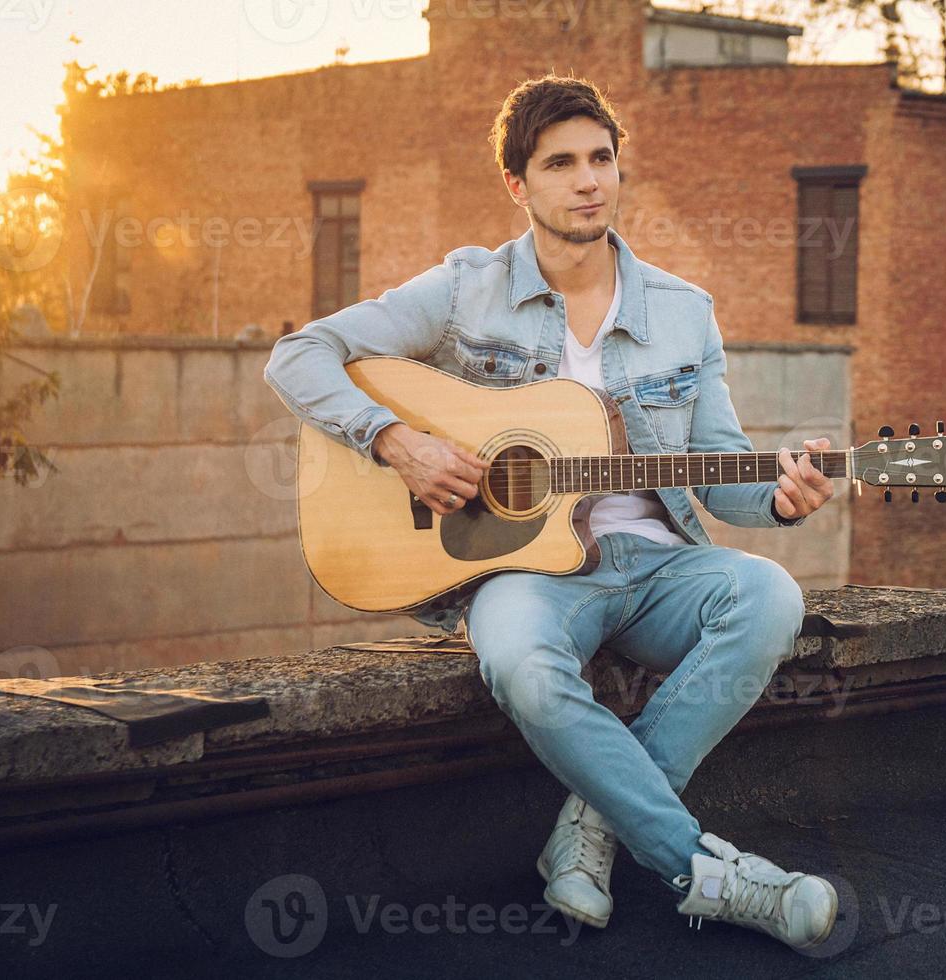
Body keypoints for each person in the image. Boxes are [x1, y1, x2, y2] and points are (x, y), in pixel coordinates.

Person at [263, 74, 840, 951]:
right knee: (523, 666)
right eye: (561, 163)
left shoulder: (684, 312)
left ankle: (595, 825)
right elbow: (299, 356)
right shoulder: (466, 289)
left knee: (771, 597)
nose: (587, 180)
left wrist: (781, 496)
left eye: (602, 159)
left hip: (656, 565)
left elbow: (717, 476)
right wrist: (396, 443)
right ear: (518, 184)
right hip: (522, 569)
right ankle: (707, 873)